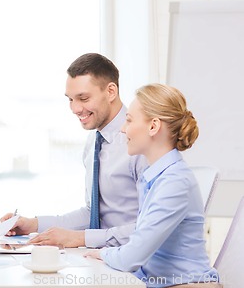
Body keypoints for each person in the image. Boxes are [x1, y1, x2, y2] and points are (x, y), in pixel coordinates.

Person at [1, 53, 147, 248]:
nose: (75, 109)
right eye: (70, 99)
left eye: (83, 98)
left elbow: (154, 227)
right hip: (104, 258)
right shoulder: (94, 142)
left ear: (111, 91)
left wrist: (79, 239)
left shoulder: (141, 140)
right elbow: (92, 212)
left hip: (137, 264)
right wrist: (32, 224)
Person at [84, 83, 220, 288]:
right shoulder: (153, 177)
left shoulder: (174, 182)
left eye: (129, 120)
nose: (122, 129)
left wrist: (102, 253)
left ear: (153, 126)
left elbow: (132, 257)